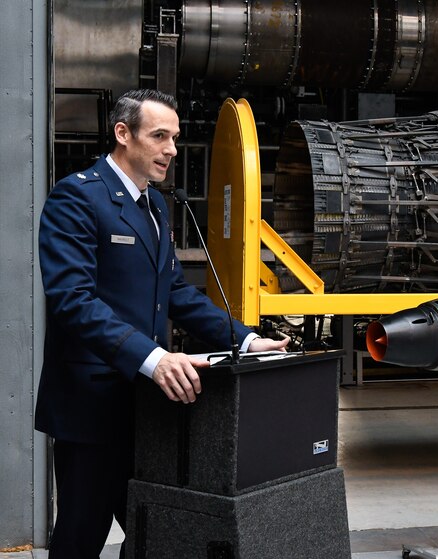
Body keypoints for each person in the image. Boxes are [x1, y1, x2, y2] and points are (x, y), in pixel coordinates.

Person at [36, 88, 289, 558]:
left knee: (157, 533)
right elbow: (73, 301)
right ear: (122, 134)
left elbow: (176, 293)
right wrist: (153, 359)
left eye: (174, 138)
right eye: (159, 136)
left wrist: (248, 340)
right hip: (92, 409)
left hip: (149, 409)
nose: (172, 149)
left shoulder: (153, 207)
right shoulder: (77, 198)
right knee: (80, 537)